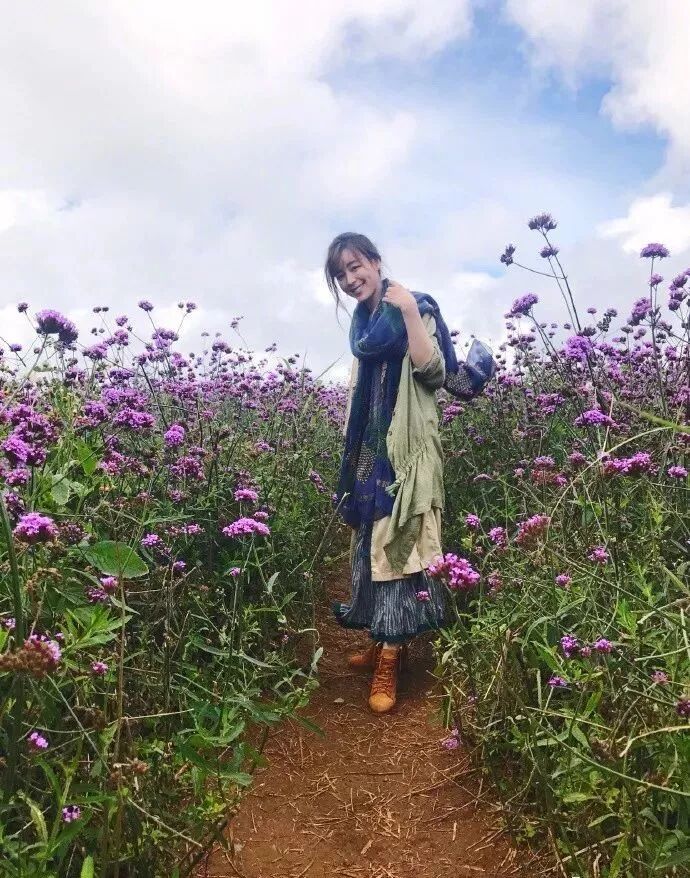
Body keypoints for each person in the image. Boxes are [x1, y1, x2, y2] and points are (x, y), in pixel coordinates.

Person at [325, 232, 451, 714]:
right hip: (368, 454)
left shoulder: (414, 307)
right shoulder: (362, 326)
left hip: (407, 454)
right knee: (368, 543)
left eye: (355, 266)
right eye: (341, 274)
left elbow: (433, 372)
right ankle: (381, 639)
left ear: (376, 263)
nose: (350, 278)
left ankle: (392, 658)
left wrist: (411, 313)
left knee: (398, 547)